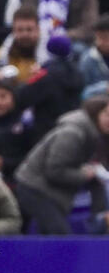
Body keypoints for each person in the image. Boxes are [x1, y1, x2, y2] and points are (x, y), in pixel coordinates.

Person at [14, 95, 109, 234]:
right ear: (95, 113)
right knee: (60, 236)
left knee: (49, 239)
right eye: (107, 114)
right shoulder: (72, 133)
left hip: (51, 193)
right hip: (34, 188)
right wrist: (85, 173)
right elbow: (54, 170)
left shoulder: (93, 135)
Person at [0, 5, 46, 80]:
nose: (25, 34)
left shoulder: (49, 59)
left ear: (38, 30)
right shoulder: (0, 56)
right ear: (13, 31)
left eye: (29, 29)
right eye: (20, 30)